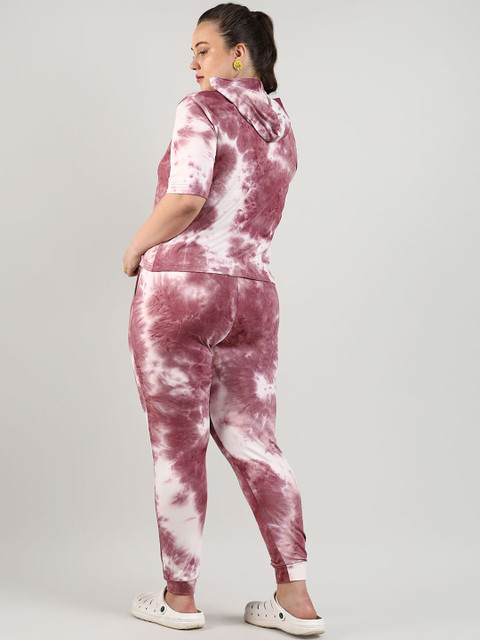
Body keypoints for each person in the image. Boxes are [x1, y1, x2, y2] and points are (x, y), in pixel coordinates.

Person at [123, 3, 325, 636]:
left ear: (239, 54)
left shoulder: (201, 107)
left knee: (176, 443)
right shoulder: (284, 128)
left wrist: (134, 249)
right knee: (256, 441)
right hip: (253, 295)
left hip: (181, 290)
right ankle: (295, 596)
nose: (193, 62)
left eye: (203, 48)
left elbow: (185, 198)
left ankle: (180, 598)